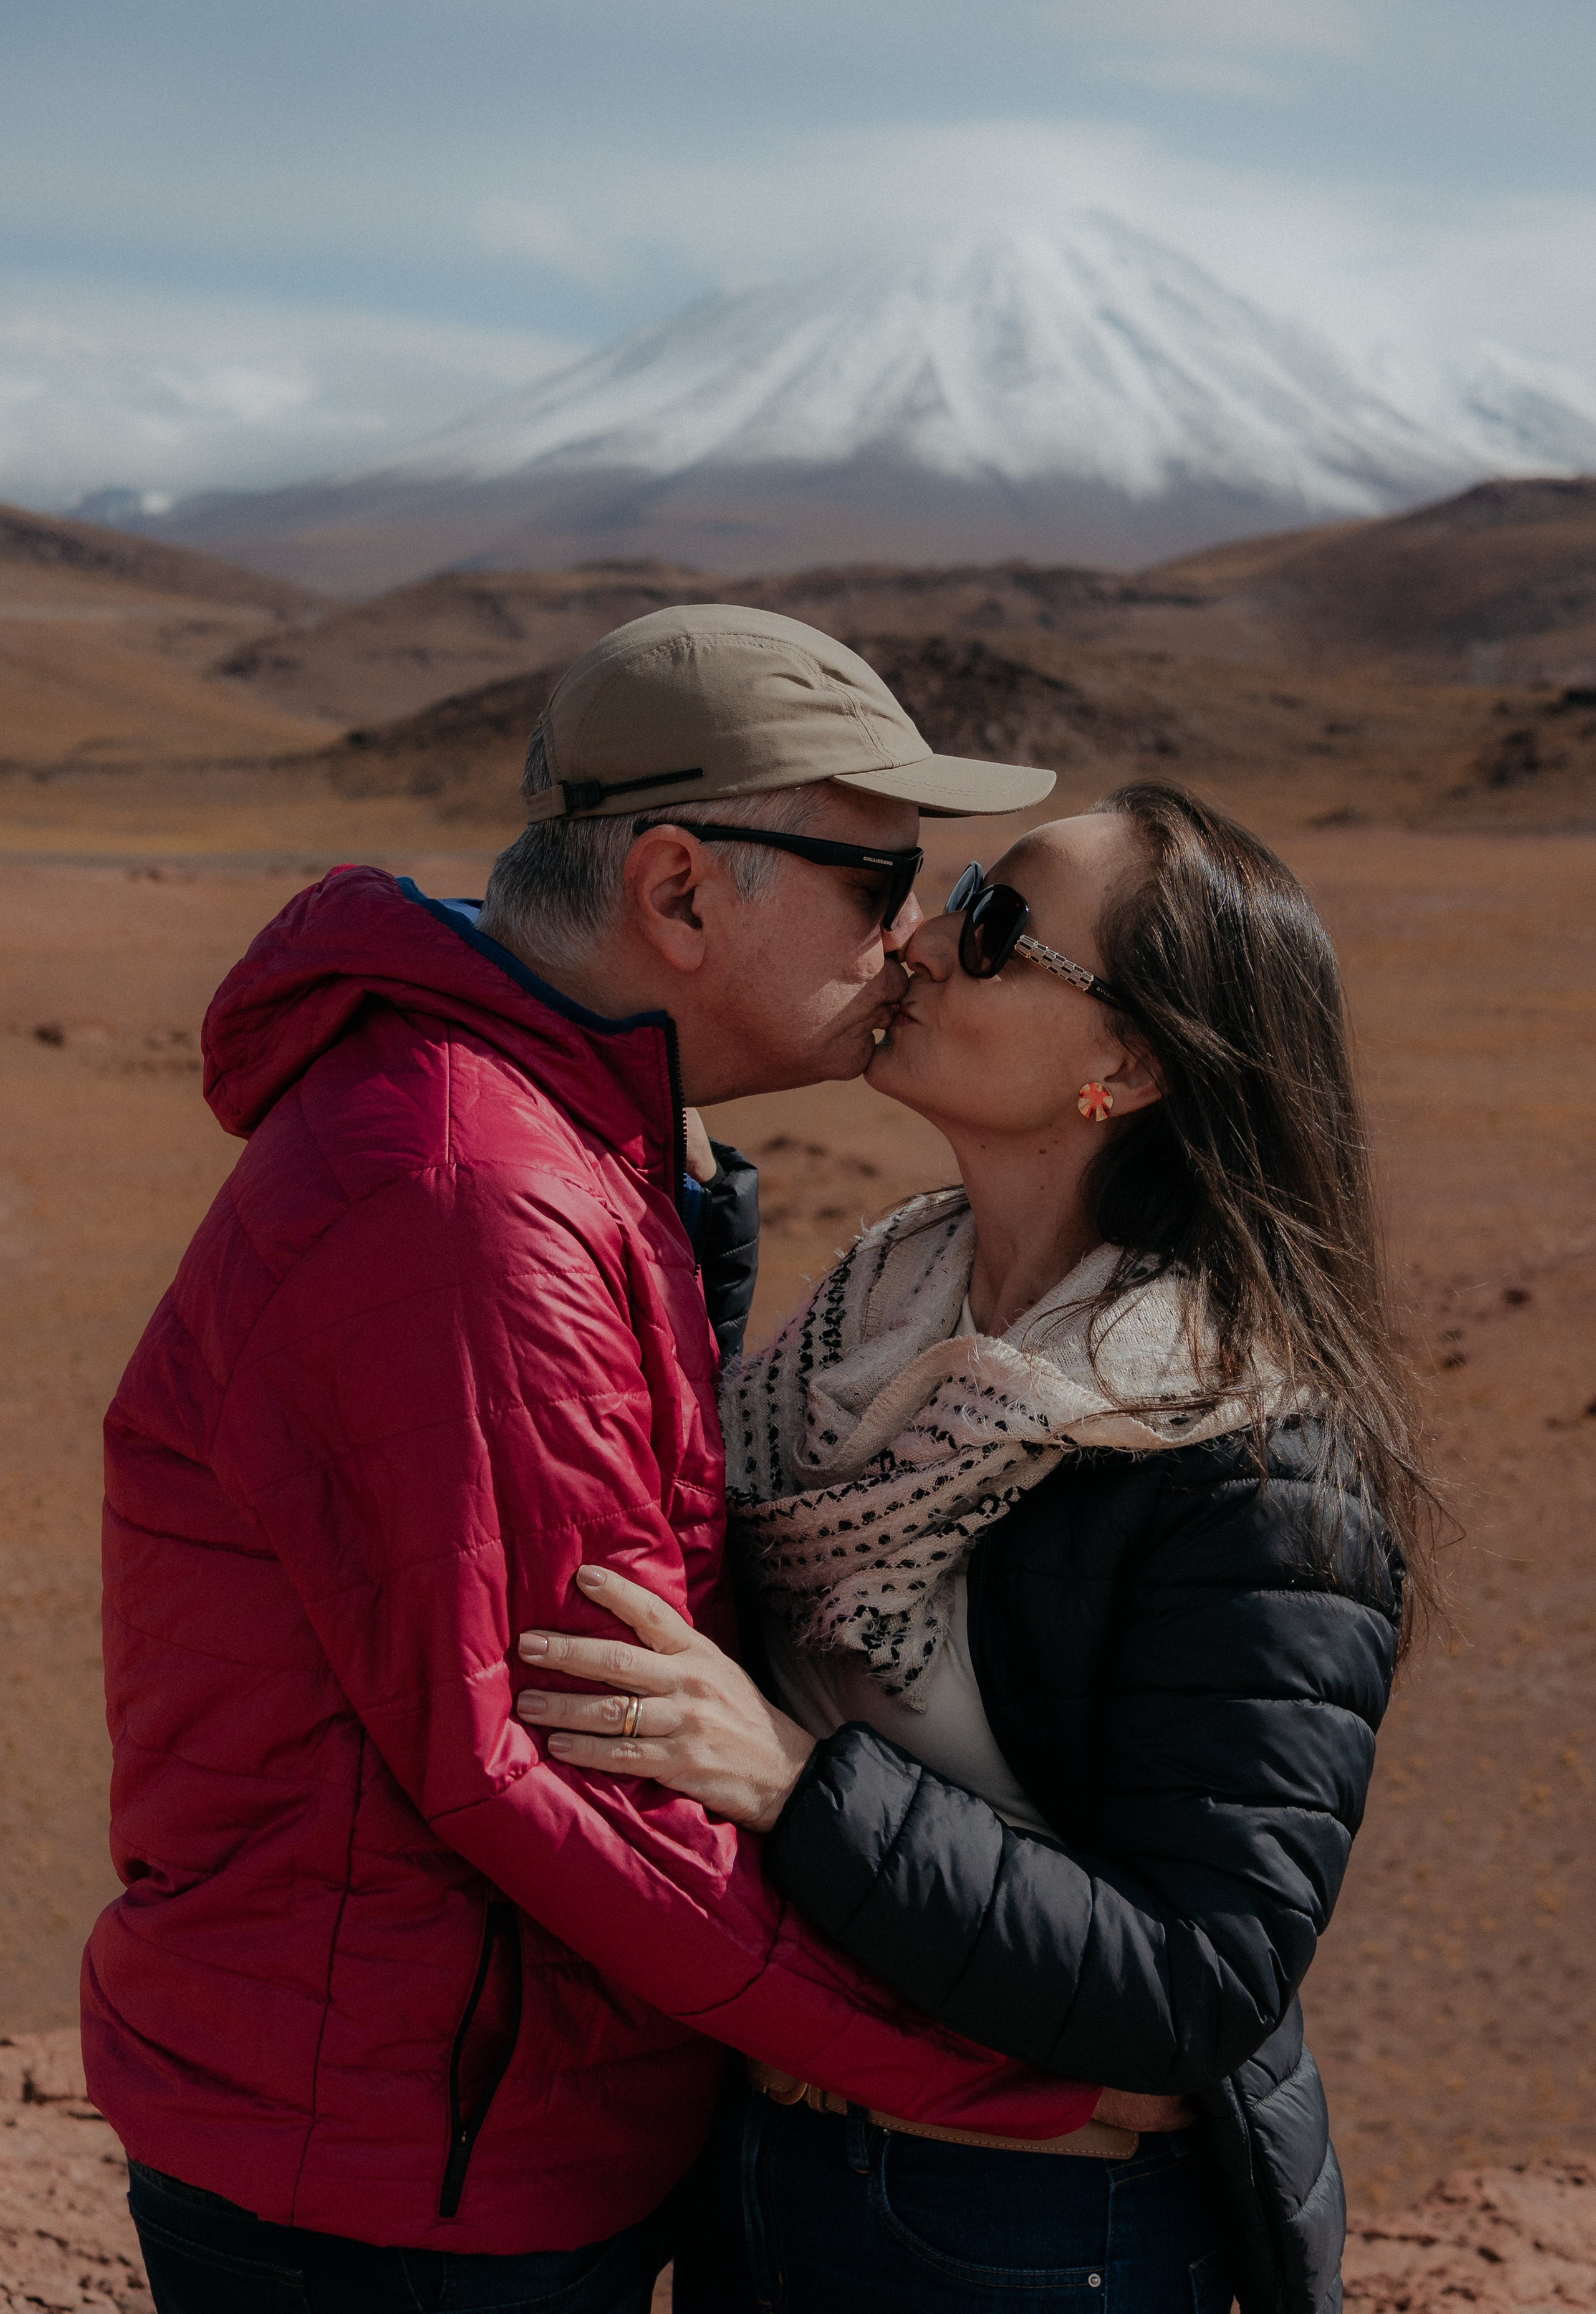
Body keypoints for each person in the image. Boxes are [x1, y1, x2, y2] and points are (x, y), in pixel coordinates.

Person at [88, 605, 1110, 2314]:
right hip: (404, 2177)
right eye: (880, 882)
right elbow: (564, 1767)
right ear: (683, 891)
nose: (920, 939)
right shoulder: (469, 1194)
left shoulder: (565, 1132)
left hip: (455, 2113)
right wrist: (1005, 2086)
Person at [521, 784, 1442, 2314]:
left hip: (1031, 2233)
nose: (925, 941)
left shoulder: (1242, 1450)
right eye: (957, 892)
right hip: (760, 2165)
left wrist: (795, 1784)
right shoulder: (875, 1326)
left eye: (1000, 926)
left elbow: (1198, 1981)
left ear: (1127, 1065)